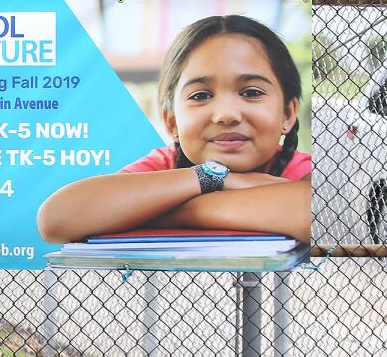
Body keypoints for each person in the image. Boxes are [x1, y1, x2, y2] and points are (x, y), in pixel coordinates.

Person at [37, 14, 312, 244]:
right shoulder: (164, 167)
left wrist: (161, 210)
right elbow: (57, 219)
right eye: (201, 96)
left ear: (287, 113)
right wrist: (208, 178)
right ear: (171, 122)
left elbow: (308, 214)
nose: (226, 115)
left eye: (251, 92)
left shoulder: (304, 171)